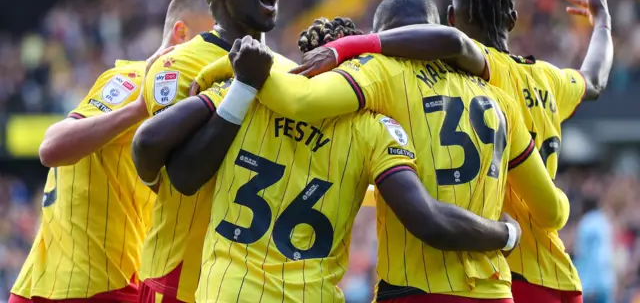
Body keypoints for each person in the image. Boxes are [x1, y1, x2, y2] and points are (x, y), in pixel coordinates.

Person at [193, 0, 570, 302]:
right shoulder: (499, 98)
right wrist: (512, 231)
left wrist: (230, 68)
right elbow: (551, 212)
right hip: (494, 290)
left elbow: (300, 99)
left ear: (386, 37)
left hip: (414, 288)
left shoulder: (381, 72)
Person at [281, 0, 613, 303]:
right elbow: (594, 80)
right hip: (555, 272)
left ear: (450, 21)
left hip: (497, 267)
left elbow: (451, 46)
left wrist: (350, 47)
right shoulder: (547, 79)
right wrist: (603, 22)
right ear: (513, 19)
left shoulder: (483, 75)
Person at [135, 28, 523, 303]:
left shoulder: (249, 94)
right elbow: (426, 218)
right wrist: (506, 233)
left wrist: (223, 76)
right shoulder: (376, 129)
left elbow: (157, 150)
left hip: (229, 291)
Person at [9, 0, 214, 303]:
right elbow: (52, 146)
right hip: (89, 284)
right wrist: (139, 108)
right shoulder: (133, 79)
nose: (218, 57)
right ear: (181, 34)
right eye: (211, 42)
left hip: (102, 282)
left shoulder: (188, 104)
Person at [130, 0, 284, 302]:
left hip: (254, 280)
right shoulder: (178, 66)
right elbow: (173, 174)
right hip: (182, 278)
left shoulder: (284, 71)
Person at [574, 195, 614, 303]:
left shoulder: (585, 223)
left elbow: (582, 254)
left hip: (590, 285)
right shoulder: (604, 222)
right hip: (605, 281)